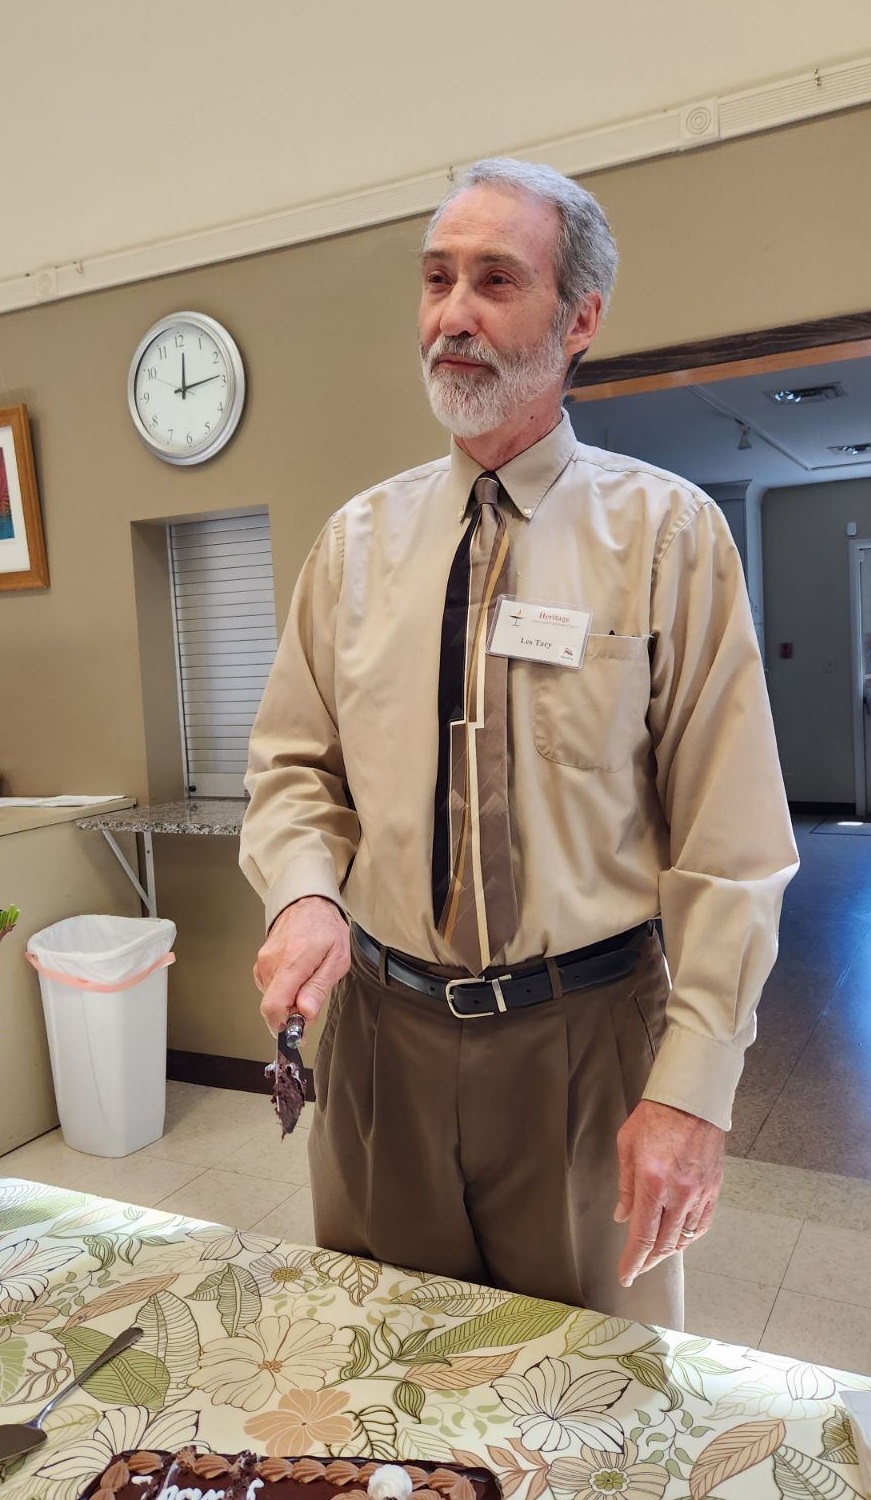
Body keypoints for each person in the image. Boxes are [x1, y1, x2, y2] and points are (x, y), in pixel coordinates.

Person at [240, 157, 798, 1327]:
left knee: (587, 1395)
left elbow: (731, 851)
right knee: (383, 1367)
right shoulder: (355, 544)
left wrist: (692, 1091)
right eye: (438, 280)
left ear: (579, 317)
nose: (453, 313)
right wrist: (302, 894)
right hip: (380, 1044)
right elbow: (295, 767)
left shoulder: (668, 538)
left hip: (584, 1043)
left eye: (495, 280)